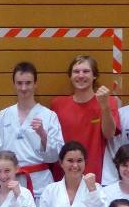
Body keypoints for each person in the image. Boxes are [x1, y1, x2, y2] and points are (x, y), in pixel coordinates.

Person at [0, 62, 63, 198]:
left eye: (28, 83)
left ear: (35, 84)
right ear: (14, 84)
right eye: (19, 83)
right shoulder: (3, 115)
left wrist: (43, 135)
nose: (24, 88)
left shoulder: (49, 116)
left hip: (39, 183)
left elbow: (56, 155)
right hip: (10, 180)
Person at [50, 55, 120, 184]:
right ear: (70, 76)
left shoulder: (109, 101)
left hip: (96, 176)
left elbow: (109, 134)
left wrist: (104, 106)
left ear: (94, 76)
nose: (81, 75)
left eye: (86, 71)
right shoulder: (57, 104)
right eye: (76, 71)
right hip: (63, 177)